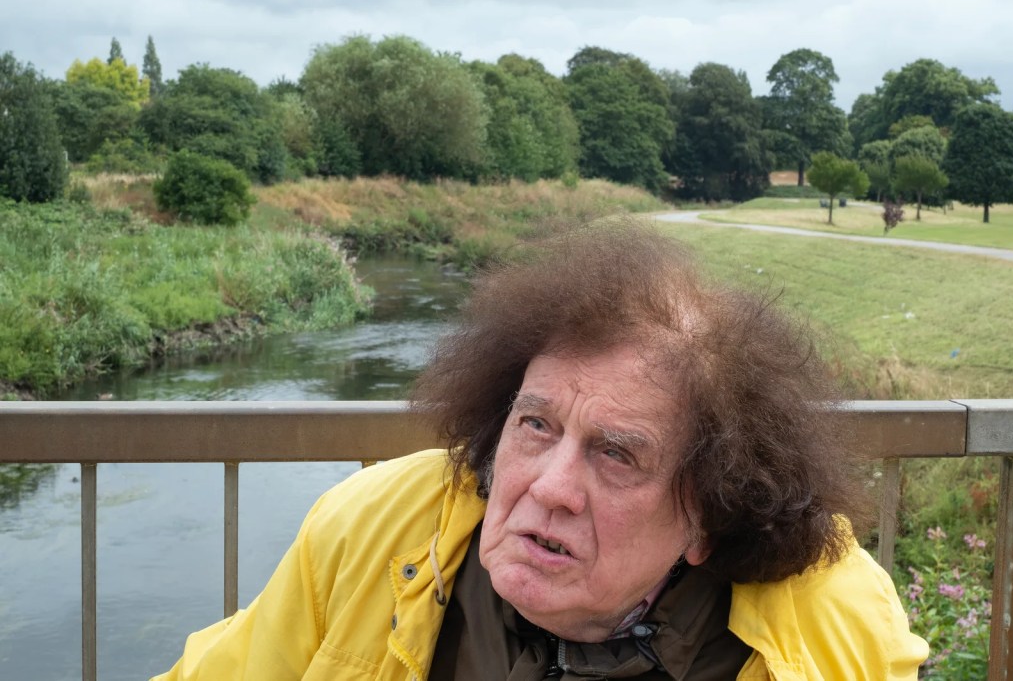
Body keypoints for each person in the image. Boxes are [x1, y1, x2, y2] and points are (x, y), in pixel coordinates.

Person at [153, 220, 928, 680]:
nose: (549, 488)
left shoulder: (833, 626)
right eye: (536, 427)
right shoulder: (375, 527)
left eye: (617, 455)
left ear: (708, 516)